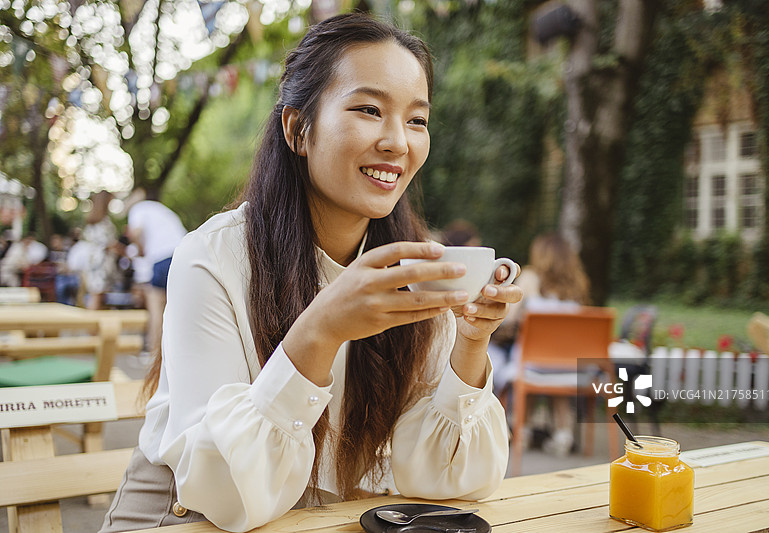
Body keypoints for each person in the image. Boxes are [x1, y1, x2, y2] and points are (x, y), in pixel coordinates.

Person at [100, 14, 521, 533]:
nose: (398, 142)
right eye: (369, 110)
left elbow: (445, 483)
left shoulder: (417, 266)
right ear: (298, 128)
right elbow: (224, 494)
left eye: (416, 120)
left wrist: (470, 343)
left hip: (319, 520)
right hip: (185, 516)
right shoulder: (211, 258)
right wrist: (322, 330)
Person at [489, 232, 589, 456]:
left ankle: (521, 430)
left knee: (531, 361)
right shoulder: (578, 286)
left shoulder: (530, 278)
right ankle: (563, 434)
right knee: (554, 368)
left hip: (531, 365)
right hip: (570, 367)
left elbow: (509, 318)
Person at [123, 187, 187, 354]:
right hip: (183, 255)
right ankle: (174, 354)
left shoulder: (137, 209)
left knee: (156, 308)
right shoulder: (158, 209)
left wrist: (141, 250)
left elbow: (136, 233)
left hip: (161, 258)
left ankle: (153, 354)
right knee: (175, 308)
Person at [81, 191, 119, 309]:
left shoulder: (93, 222)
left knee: (98, 295)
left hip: (95, 261)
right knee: (97, 294)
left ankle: (93, 325)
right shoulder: (103, 222)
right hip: (101, 263)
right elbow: (107, 243)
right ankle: (91, 325)